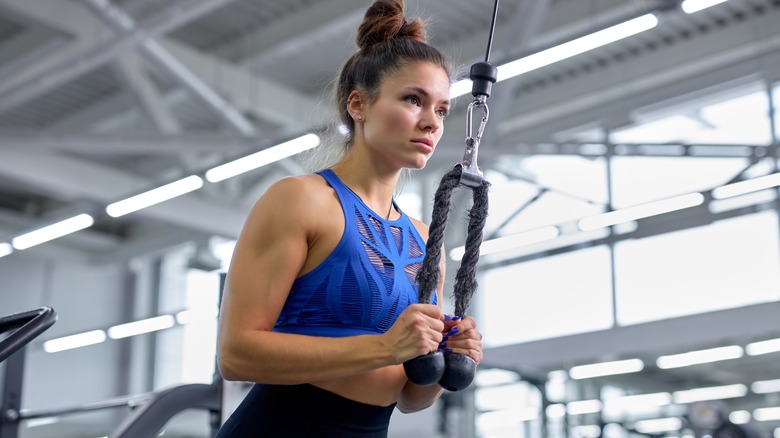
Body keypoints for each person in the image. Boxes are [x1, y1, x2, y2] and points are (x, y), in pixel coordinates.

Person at [215, 0, 483, 435]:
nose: (431, 123)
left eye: (441, 109)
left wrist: (452, 356)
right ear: (358, 105)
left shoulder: (424, 239)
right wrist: (382, 347)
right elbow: (236, 356)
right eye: (413, 100)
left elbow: (409, 398)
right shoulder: (300, 200)